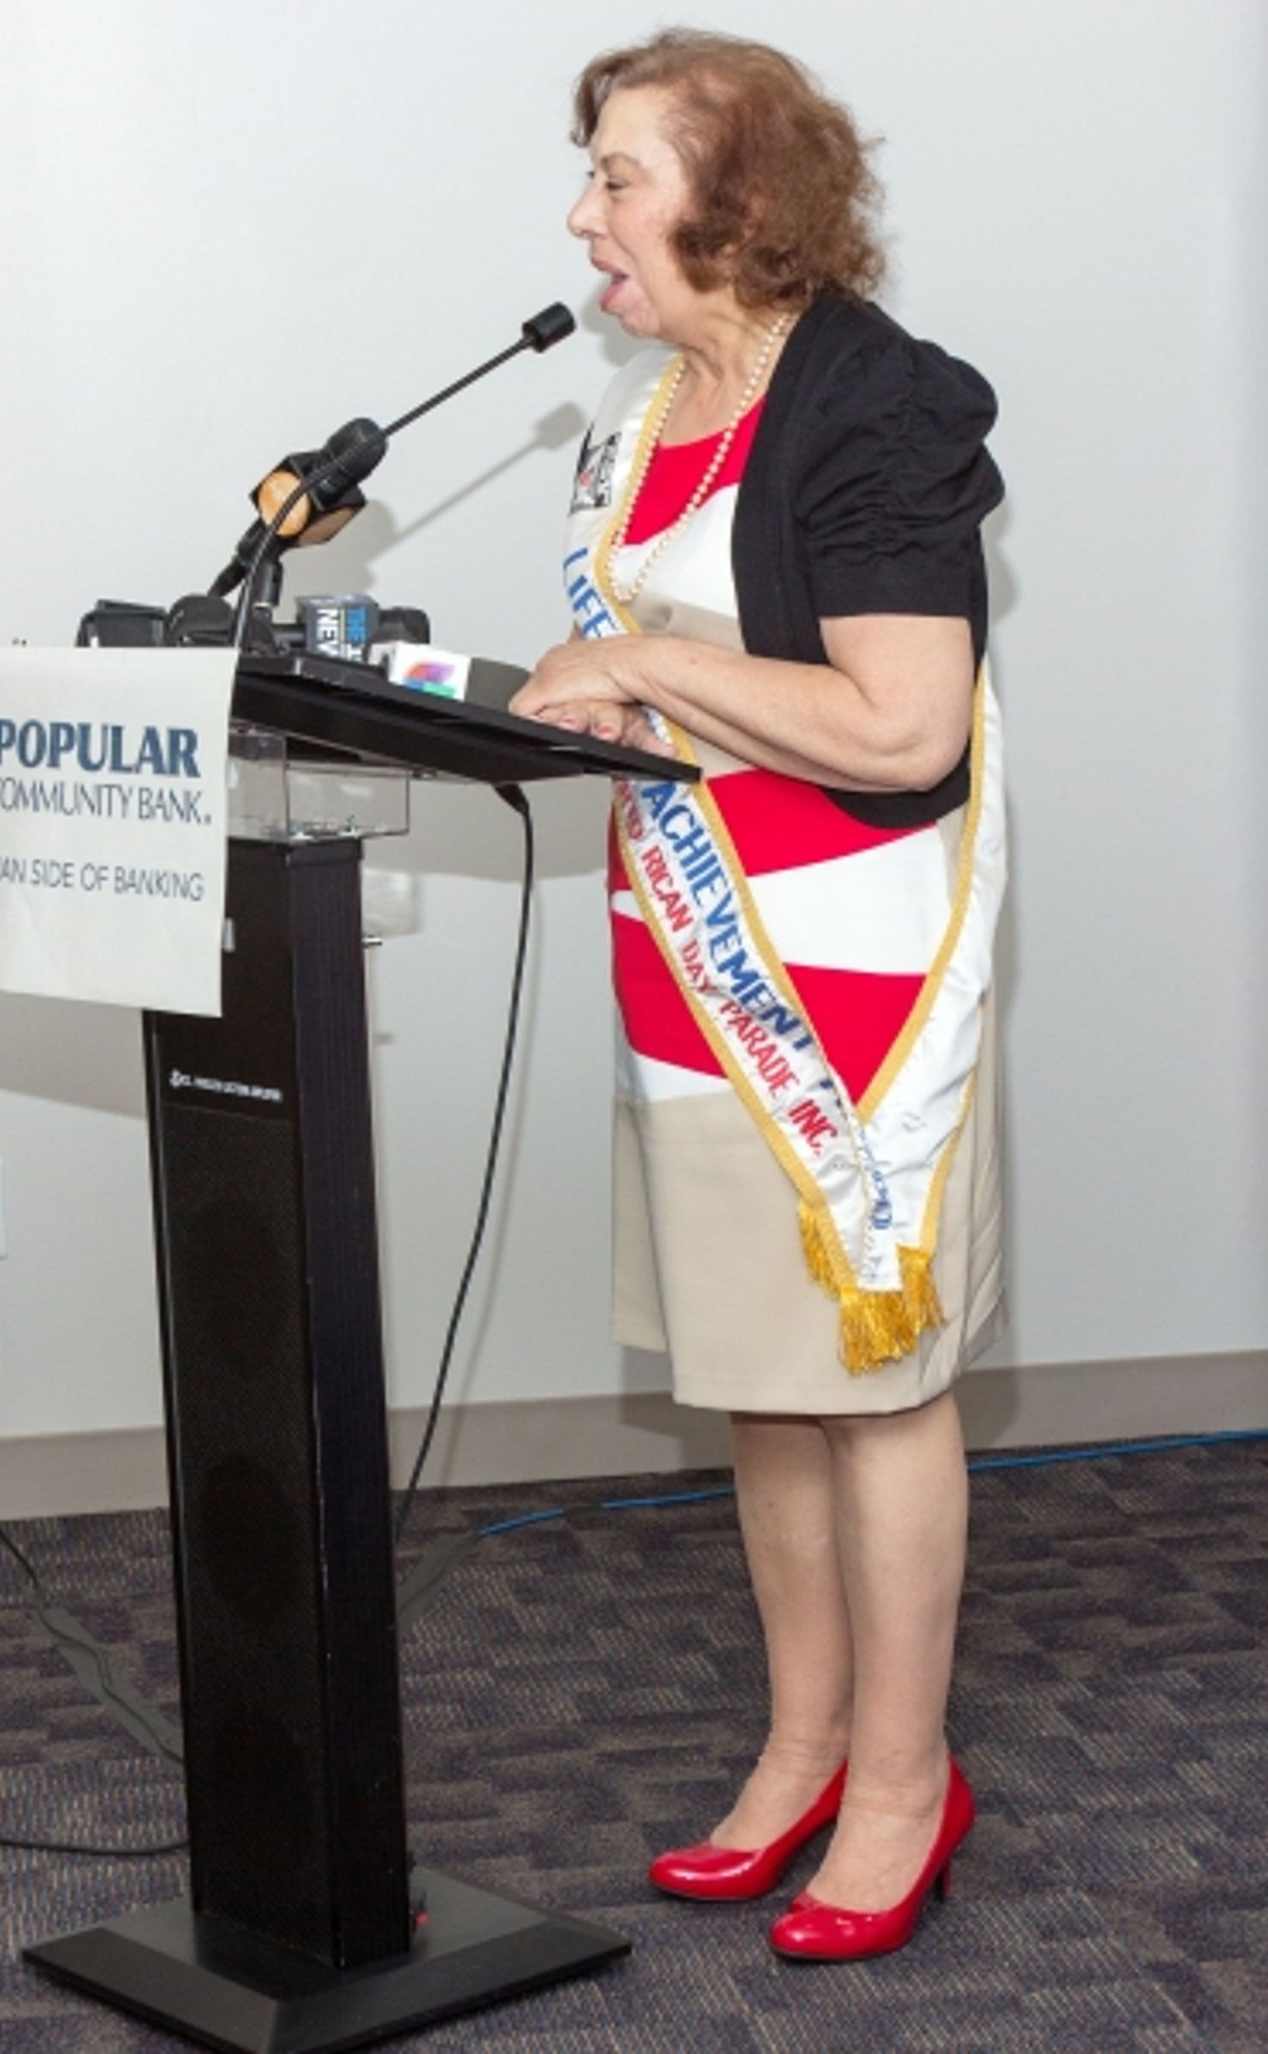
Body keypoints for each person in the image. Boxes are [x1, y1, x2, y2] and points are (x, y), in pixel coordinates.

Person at [510, 30, 1006, 1963]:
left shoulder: (876, 407)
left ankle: (905, 1776)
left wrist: (635, 658)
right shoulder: (649, 414)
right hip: (691, 961)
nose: (583, 216)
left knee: (871, 1387)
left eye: (619, 177)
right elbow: (653, 681)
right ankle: (803, 1742)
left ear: (738, 205)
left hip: (851, 985)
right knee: (763, 1383)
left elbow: (900, 724)